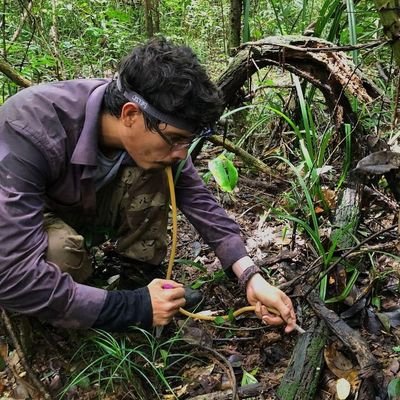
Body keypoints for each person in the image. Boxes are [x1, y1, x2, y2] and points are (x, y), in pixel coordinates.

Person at [0, 37, 297, 333]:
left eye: (189, 141)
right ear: (130, 114)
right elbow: (12, 276)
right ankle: (109, 306)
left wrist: (250, 277)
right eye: (177, 139)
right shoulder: (29, 128)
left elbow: (200, 203)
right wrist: (133, 308)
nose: (183, 153)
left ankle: (140, 278)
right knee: (61, 255)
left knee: (160, 168)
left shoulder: (153, 131)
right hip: (28, 220)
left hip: (82, 204)